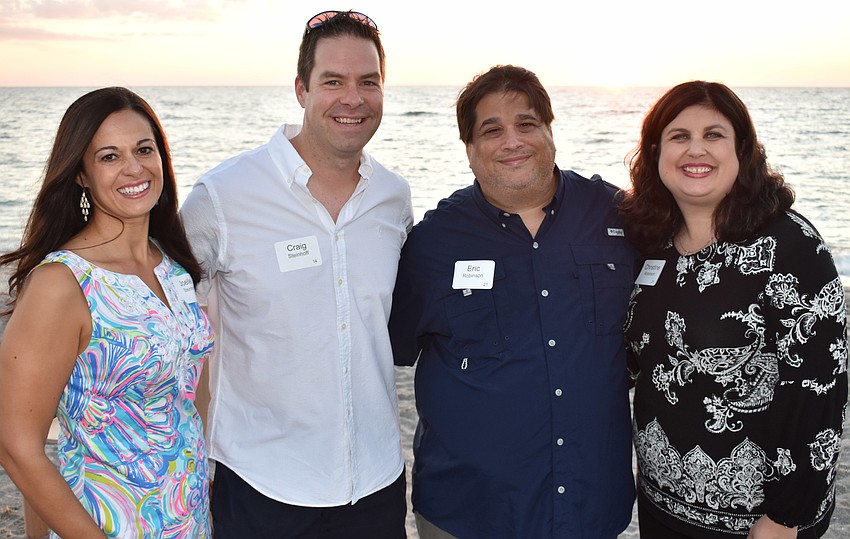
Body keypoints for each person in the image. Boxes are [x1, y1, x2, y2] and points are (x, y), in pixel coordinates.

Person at [179, 10, 412, 539]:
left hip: (376, 482)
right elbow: (162, 311)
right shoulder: (223, 197)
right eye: (333, 81)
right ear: (302, 89)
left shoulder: (394, 198)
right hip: (262, 485)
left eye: (368, 82)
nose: (352, 98)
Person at [389, 65, 636, 538]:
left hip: (591, 508)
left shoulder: (618, 217)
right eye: (492, 130)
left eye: (526, 124)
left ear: (549, 129)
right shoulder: (432, 244)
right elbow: (393, 346)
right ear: (469, 149)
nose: (512, 141)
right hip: (467, 513)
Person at [619, 80, 847, 538]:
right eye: (679, 136)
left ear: (742, 149)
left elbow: (820, 387)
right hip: (662, 504)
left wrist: (785, 518)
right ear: (655, 151)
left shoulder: (788, 244)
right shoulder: (650, 243)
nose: (694, 150)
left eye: (713, 135)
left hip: (759, 520)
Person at [0, 87, 214, 538]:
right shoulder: (62, 283)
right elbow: (17, 445)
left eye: (144, 149)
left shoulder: (172, 267)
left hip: (186, 522)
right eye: (109, 157)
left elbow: (189, 398)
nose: (134, 168)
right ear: (80, 174)